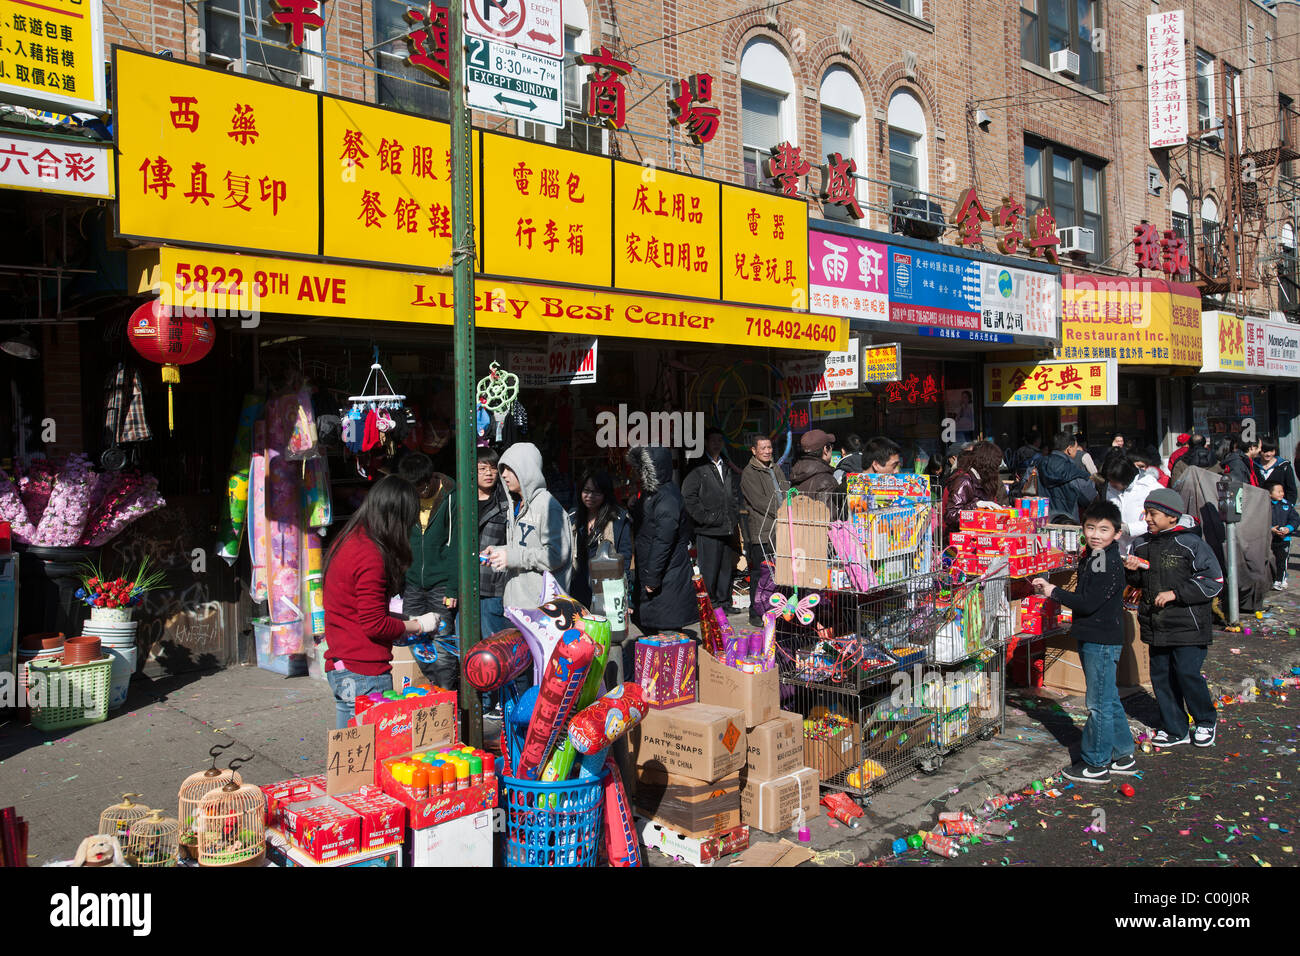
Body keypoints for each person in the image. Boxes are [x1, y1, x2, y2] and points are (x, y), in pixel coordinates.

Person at [322, 475, 441, 728]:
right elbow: (374, 624)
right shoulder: (370, 555)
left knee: (352, 760)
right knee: (366, 759)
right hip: (363, 672)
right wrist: (418, 625)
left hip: (346, 664)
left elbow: (361, 609)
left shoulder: (351, 539)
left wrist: (405, 620)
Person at [1032, 500, 1134, 784]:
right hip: (1100, 635)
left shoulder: (1105, 561)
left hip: (1100, 639)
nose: (1096, 534)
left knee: (1098, 702)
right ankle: (1123, 752)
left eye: (1104, 529)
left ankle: (1097, 763)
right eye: (1090, 528)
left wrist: (1054, 591)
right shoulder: (1098, 556)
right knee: (1108, 697)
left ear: (1117, 533)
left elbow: (1088, 602)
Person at [1123, 488, 1224, 749]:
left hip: (1189, 624)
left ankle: (1205, 720)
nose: (1147, 518)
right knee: (1161, 677)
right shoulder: (1141, 544)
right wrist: (1131, 572)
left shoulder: (1192, 544)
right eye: (1146, 513)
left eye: (1153, 514)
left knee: (1187, 672)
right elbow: (1138, 583)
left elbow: (1213, 580)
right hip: (1156, 624)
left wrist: (1175, 594)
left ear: (1171, 516)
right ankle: (1174, 727)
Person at [484, 442, 574, 617]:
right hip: (516, 605)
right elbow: (521, 548)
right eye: (503, 469)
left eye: (510, 469)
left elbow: (556, 555)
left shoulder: (548, 506)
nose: (503, 474)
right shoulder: (516, 504)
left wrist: (512, 557)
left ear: (527, 470)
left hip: (541, 610)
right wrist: (498, 552)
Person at [397, 453, 460, 689]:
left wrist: (453, 587)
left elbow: (455, 546)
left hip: (442, 583)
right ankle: (428, 688)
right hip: (412, 582)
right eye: (414, 488)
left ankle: (446, 694)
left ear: (431, 478)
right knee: (413, 638)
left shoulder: (450, 496)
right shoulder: (406, 497)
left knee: (442, 642)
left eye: (422, 486)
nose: (420, 492)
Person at [627, 445, 697, 637]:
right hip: (657, 573)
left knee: (667, 633)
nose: (639, 473)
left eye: (643, 469)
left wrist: (652, 578)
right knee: (650, 626)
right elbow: (649, 525)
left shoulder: (666, 496)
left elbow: (663, 540)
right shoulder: (653, 494)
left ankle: (672, 666)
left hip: (667, 576)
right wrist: (634, 507)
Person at [682, 428, 742, 613]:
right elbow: (688, 496)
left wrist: (733, 515)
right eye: (713, 440)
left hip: (726, 525)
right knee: (709, 569)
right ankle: (711, 605)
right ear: (706, 443)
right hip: (707, 528)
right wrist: (704, 517)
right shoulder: (697, 465)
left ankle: (724, 602)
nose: (717, 443)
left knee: (725, 567)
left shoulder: (726, 464)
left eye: (719, 440)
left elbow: (733, 492)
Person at [740, 433, 790, 626]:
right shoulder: (749, 473)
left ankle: (773, 609)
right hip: (762, 531)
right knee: (760, 574)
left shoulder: (775, 468)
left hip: (781, 529)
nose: (768, 451)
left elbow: (785, 490)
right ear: (754, 450)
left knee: (777, 574)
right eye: (763, 448)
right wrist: (782, 513)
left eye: (769, 448)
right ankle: (755, 612)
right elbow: (760, 503)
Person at [569, 469, 634, 609]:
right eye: (586, 491)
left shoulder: (618, 518)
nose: (590, 496)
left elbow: (625, 557)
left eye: (596, 492)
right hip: (577, 590)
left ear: (606, 493)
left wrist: (625, 596)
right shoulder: (572, 517)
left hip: (607, 590)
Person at [476, 447, 510, 640]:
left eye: (492, 468)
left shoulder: (506, 504)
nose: (488, 473)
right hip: (466, 584)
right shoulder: (462, 501)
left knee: (494, 642)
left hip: (493, 585)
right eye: (482, 469)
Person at [942, 441, 1007, 533]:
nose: (997, 471)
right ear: (987, 465)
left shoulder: (983, 480)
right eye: (995, 466)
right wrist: (976, 505)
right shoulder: (964, 481)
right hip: (960, 539)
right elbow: (951, 515)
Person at [1103, 457, 1162, 551]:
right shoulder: (1110, 487)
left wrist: (1128, 528)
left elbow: (1160, 522)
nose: (1111, 484)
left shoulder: (1150, 487)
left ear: (1125, 479)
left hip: (1143, 546)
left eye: (1114, 482)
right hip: (1118, 547)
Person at [1038, 431, 1096, 524]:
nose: (1077, 451)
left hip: (1041, 523)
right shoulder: (1075, 473)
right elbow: (1090, 499)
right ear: (1069, 449)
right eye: (1076, 448)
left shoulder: (1036, 467)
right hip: (1069, 524)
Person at [1267, 479, 1300, 589]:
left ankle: (1279, 580)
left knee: (1282, 560)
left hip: (1284, 539)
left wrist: (1288, 528)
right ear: (1270, 493)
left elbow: (1295, 519)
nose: (1282, 493)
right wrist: (1271, 529)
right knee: (1271, 559)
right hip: (1270, 538)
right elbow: (1261, 520)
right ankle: (1273, 578)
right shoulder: (1266, 505)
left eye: (1282, 491)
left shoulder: (1287, 505)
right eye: (1278, 491)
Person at [791, 429, 839, 502]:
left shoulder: (795, 474)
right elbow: (828, 512)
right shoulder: (827, 481)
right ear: (826, 449)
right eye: (831, 446)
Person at [1256, 437, 1297, 504]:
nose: (1268, 454)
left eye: (1271, 451)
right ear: (1259, 450)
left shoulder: (1284, 466)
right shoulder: (1253, 465)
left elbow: (1291, 490)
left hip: (1280, 508)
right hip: (1259, 507)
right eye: (1265, 451)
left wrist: (1289, 507)